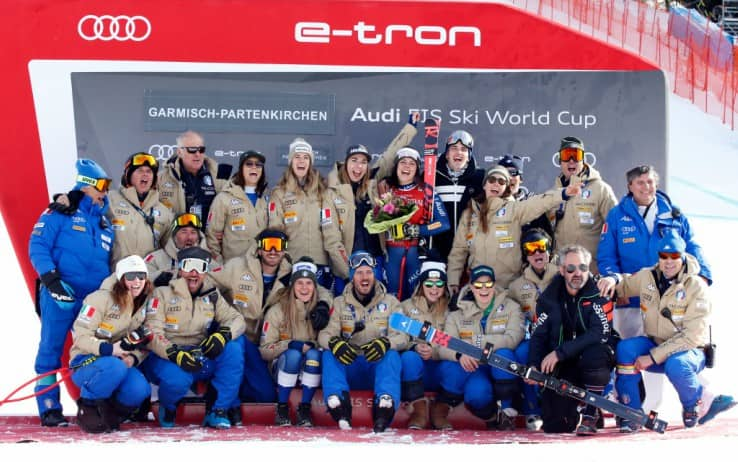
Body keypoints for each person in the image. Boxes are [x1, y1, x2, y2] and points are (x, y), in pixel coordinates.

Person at [597, 233, 735, 432]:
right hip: (656, 343)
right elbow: (625, 284)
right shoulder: (647, 277)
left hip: (688, 351)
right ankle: (631, 412)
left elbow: (691, 336)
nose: (668, 262)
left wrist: (652, 357)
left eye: (674, 256)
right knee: (626, 349)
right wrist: (612, 279)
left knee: (677, 364)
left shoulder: (696, 287)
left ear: (683, 257)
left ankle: (692, 406)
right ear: (658, 257)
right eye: (664, 256)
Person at [29, 158, 115, 426]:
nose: (105, 190)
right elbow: (38, 244)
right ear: (87, 185)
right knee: (50, 350)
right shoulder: (60, 212)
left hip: (91, 301)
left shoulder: (105, 225)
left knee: (91, 349)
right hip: (60, 295)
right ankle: (49, 405)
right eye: (102, 184)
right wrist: (51, 280)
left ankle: (91, 402)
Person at [598, 164, 712, 339]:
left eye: (650, 182)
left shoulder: (674, 214)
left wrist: (703, 274)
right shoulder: (616, 215)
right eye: (640, 183)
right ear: (630, 186)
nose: (646, 187)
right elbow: (607, 256)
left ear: (656, 185)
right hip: (631, 298)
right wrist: (618, 289)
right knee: (629, 351)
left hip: (671, 298)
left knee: (667, 350)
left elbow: (691, 245)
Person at [141, 246, 245, 429]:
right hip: (167, 357)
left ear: (205, 273)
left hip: (198, 355)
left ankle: (217, 410)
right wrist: (174, 354)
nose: (194, 273)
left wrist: (223, 335)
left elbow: (237, 319)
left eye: (201, 267)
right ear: (180, 269)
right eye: (190, 266)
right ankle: (169, 406)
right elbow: (152, 332)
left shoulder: (211, 294)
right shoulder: (162, 293)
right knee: (179, 379)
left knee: (233, 349)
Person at [527, 244, 617, 435]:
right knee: (556, 425)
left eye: (583, 267)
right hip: (565, 363)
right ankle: (576, 408)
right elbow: (538, 335)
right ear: (561, 270)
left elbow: (599, 333)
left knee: (595, 353)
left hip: (593, 359)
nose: (578, 273)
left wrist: (559, 353)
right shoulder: (548, 299)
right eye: (571, 268)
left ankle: (591, 412)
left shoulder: (599, 293)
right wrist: (534, 364)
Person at [327, 112, 420, 294]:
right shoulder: (332, 190)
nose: (358, 167)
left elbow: (390, 155)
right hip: (348, 264)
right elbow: (331, 239)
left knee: (378, 311)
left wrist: (410, 128)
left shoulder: (372, 184)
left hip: (375, 261)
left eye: (363, 162)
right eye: (354, 161)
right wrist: (349, 271)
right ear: (345, 164)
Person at [447, 166, 580, 291]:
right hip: (479, 288)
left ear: (506, 188)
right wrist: (453, 281)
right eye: (492, 180)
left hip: (509, 288)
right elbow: (459, 251)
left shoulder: (513, 210)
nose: (496, 184)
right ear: (484, 184)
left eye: (501, 181)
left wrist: (563, 194)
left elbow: (539, 203)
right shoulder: (470, 214)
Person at [317, 250, 407, 432]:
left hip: (376, 368)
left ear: (375, 274)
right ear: (352, 277)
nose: (364, 277)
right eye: (359, 273)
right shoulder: (340, 302)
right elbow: (324, 335)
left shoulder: (391, 302)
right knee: (328, 354)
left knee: (391, 355)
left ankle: (384, 407)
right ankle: (339, 405)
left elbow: (403, 336)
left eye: (368, 272)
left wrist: (386, 343)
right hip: (351, 366)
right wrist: (335, 343)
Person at [69, 255, 153, 433]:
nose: (137, 281)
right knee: (114, 367)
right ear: (121, 279)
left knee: (140, 389)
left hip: (120, 363)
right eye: (131, 276)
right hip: (86, 362)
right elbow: (81, 337)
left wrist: (132, 358)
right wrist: (109, 349)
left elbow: (144, 341)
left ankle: (112, 412)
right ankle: (89, 407)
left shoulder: (144, 304)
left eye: (141, 276)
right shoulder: (99, 299)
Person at [436, 265, 525, 431]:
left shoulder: (511, 307)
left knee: (504, 355)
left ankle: (508, 412)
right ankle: (493, 417)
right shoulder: (456, 314)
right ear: (471, 287)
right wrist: (459, 355)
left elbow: (513, 339)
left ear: (494, 285)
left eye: (488, 284)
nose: (483, 289)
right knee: (476, 394)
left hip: (502, 366)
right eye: (478, 285)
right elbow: (443, 345)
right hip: (477, 368)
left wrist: (477, 341)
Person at [268, 137, 349, 291]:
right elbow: (275, 232)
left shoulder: (322, 191)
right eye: (297, 157)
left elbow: (331, 232)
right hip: (291, 265)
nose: (301, 161)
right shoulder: (279, 193)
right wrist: (284, 264)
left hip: (319, 264)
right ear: (291, 161)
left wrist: (346, 272)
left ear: (310, 162)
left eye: (306, 157)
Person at [259, 257, 331, 427]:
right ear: (292, 285)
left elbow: (330, 338)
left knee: (314, 354)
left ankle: (304, 409)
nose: (304, 288)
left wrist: (315, 345)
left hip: (311, 365)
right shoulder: (278, 310)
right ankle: (282, 407)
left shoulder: (322, 309)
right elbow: (264, 350)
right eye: (299, 283)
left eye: (309, 283)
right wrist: (290, 344)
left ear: (315, 287)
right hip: (284, 365)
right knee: (293, 355)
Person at [377, 147, 450, 300]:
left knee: (415, 297)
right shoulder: (384, 189)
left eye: (412, 164)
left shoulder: (426, 191)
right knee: (391, 297)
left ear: (417, 169)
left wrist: (417, 230)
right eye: (403, 162)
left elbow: (443, 223)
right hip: (391, 253)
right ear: (396, 166)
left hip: (415, 253)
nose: (407, 167)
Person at [507, 228, 559, 431]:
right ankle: (532, 410)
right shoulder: (517, 286)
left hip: (562, 337)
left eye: (541, 248)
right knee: (522, 352)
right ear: (525, 254)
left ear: (549, 251)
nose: (537, 253)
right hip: (537, 338)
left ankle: (579, 406)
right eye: (531, 249)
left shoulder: (563, 275)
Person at [547, 136, 617, 273]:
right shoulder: (553, 194)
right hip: (562, 275)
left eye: (576, 155)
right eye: (567, 155)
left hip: (592, 273)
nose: (571, 161)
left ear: (583, 160)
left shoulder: (601, 189)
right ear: (560, 161)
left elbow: (616, 229)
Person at [399, 256, 453, 430]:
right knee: (408, 358)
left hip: (438, 366)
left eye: (439, 284)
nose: (434, 289)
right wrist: (414, 346)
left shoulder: (451, 311)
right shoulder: (405, 307)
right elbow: (398, 337)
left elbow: (454, 341)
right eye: (429, 284)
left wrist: (435, 350)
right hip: (416, 368)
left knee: (459, 366)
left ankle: (440, 410)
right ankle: (419, 410)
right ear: (421, 285)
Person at [107, 152, 173, 267]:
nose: (145, 175)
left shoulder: (164, 213)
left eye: (149, 171)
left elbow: (171, 250)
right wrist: (70, 199)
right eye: (140, 171)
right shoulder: (110, 199)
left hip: (146, 280)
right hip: (116, 276)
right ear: (128, 175)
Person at [430, 129, 485, 262]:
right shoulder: (432, 177)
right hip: (438, 250)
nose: (459, 152)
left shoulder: (480, 178)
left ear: (469, 156)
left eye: (464, 149)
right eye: (454, 148)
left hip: (469, 252)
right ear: (447, 154)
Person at [206, 150, 269, 263]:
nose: (254, 167)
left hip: (260, 268)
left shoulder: (268, 199)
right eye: (249, 164)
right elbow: (212, 237)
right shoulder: (224, 198)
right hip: (232, 269)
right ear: (241, 169)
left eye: (258, 165)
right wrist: (220, 265)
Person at [157, 130, 228, 222]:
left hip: (208, 235)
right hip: (175, 234)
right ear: (179, 152)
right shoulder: (161, 178)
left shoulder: (219, 174)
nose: (197, 154)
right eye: (192, 150)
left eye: (201, 150)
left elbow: (230, 207)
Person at [144, 212, 211, 286]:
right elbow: (141, 281)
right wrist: (159, 277)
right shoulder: (154, 259)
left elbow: (219, 281)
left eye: (193, 232)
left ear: (198, 238)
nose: (189, 237)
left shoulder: (208, 261)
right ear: (174, 236)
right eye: (184, 232)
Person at [497, 154, 555, 238]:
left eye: (513, 173)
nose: (509, 178)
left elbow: (546, 238)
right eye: (504, 173)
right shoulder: (491, 205)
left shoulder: (533, 204)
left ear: (521, 178)